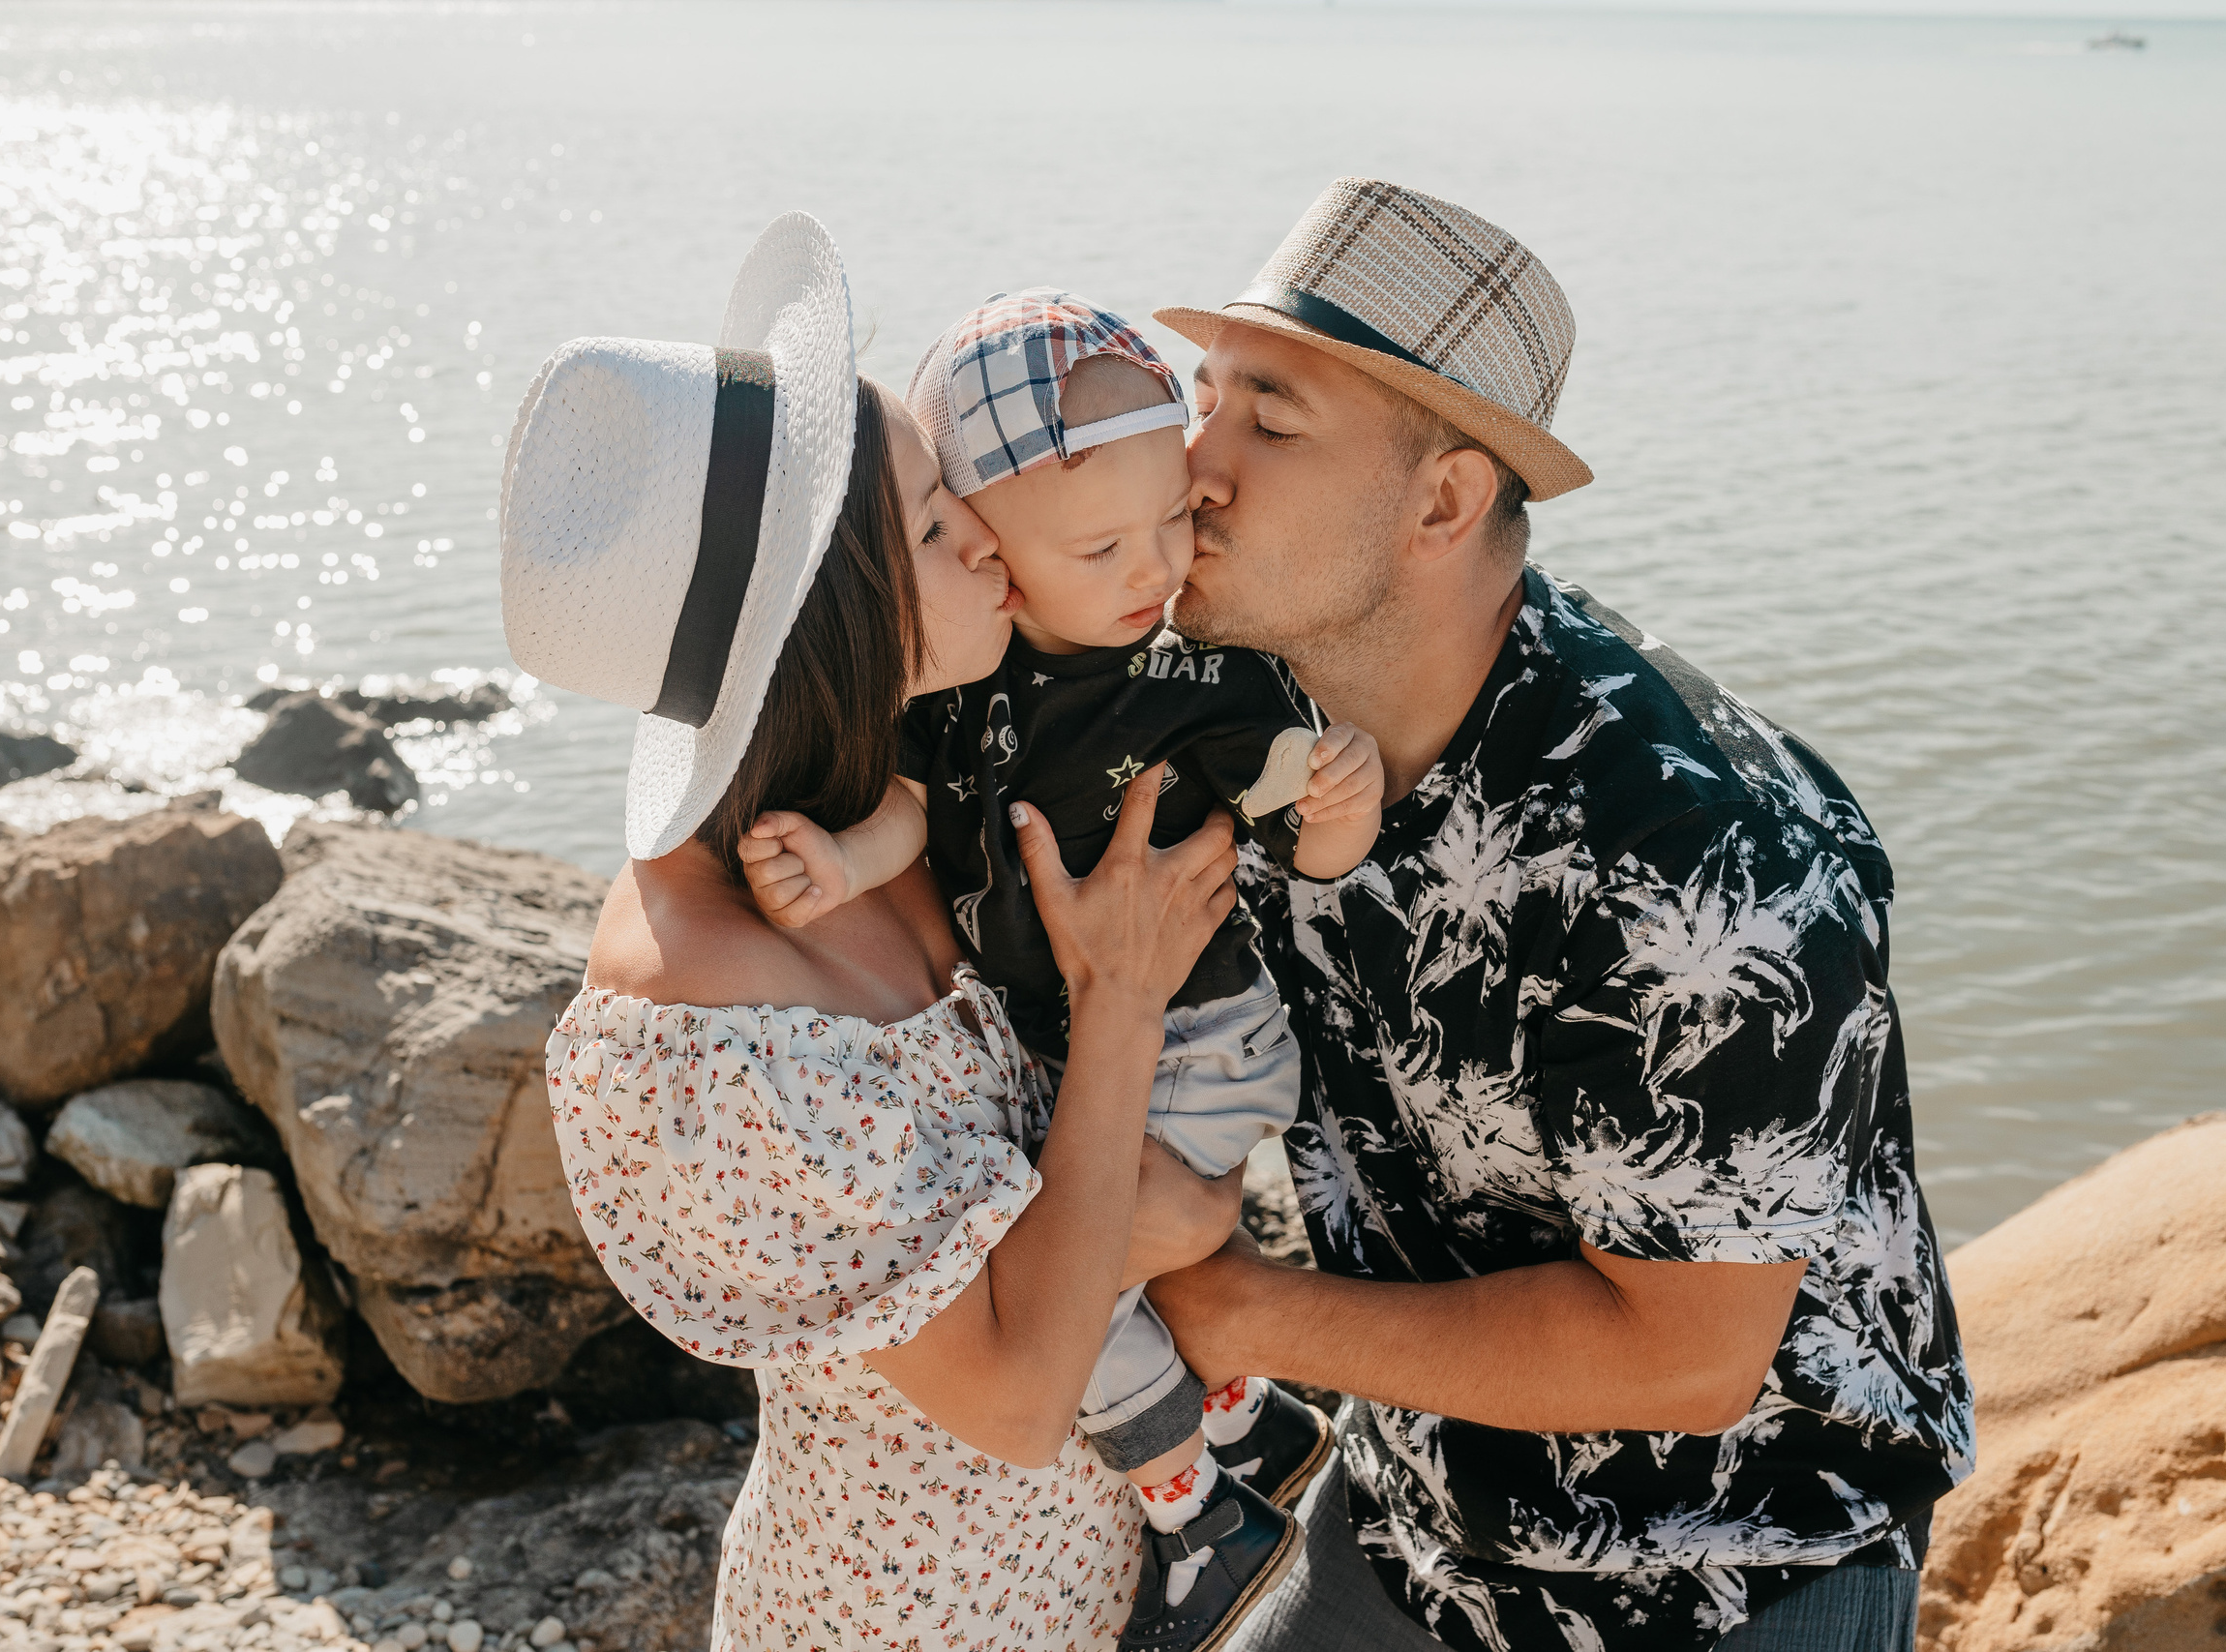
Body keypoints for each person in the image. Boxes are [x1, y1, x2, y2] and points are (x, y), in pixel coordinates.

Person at [1132, 178, 1977, 1652]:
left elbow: (1683, 1361)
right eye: (1205, 400)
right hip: (1417, 1514)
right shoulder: (1249, 699)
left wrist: (1250, 1312)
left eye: (1270, 424)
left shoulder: (1698, 851)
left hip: (1728, 1572)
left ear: (1446, 502)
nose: (1192, 465)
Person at [498, 214, 1244, 1651]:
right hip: (912, 1619)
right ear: (829, 613)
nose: (983, 534)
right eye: (927, 520)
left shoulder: (883, 813)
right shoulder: (707, 1029)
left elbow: (1094, 1222)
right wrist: (1127, 1000)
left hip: (1091, 1588)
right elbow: (1023, 1392)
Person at [732, 289, 1385, 1652]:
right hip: (1087, 1037)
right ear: (989, 549)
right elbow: (918, 809)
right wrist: (850, 862)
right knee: (1086, 1257)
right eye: (1100, 544)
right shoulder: (961, 680)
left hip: (1205, 1036)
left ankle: (1200, 1514)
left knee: (1071, 1281)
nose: (1153, 566)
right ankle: (1241, 1431)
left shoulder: (1189, 677)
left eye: (1174, 524)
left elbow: (1303, 819)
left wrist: (1338, 800)